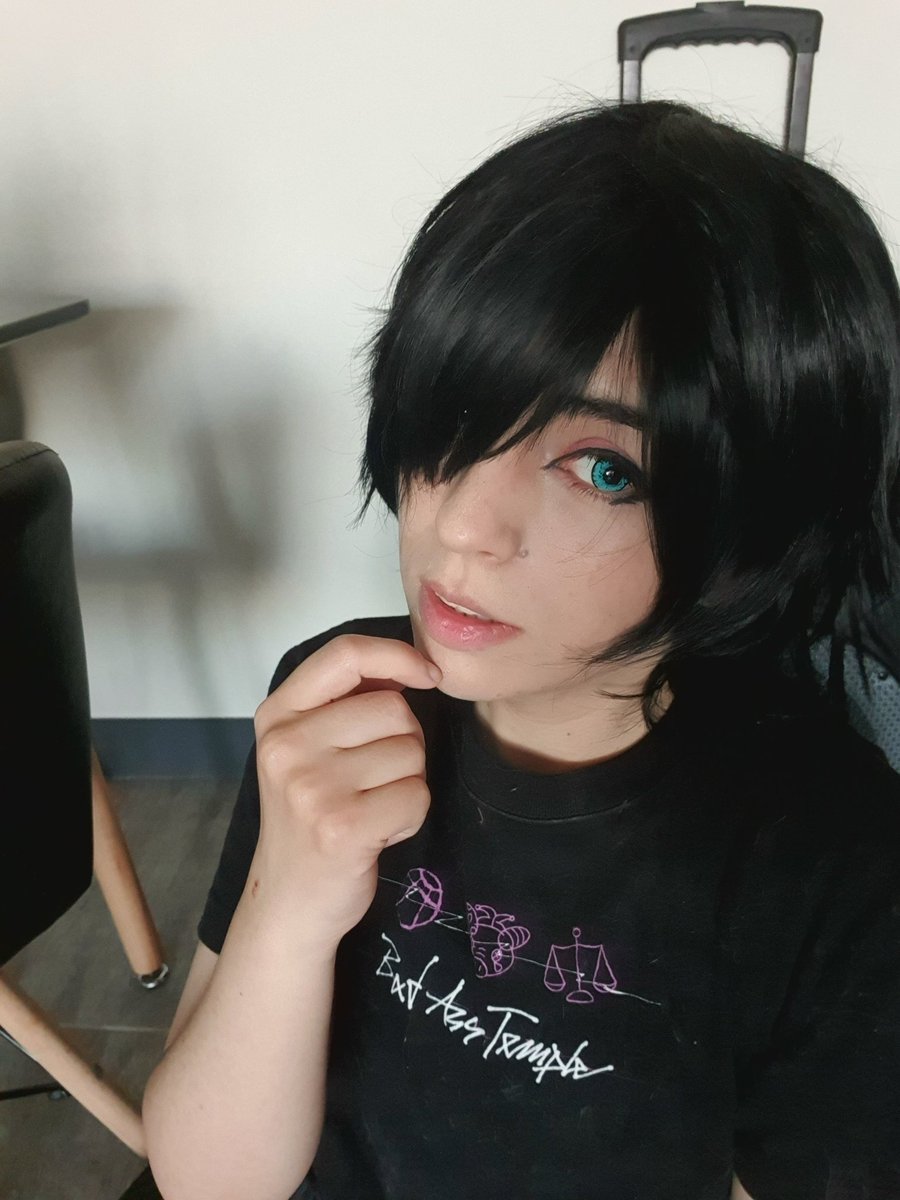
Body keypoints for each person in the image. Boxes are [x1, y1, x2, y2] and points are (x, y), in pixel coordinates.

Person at [142, 99, 900, 1200]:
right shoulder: (339, 702)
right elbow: (208, 1179)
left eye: (604, 469)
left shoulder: (830, 865)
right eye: (460, 413)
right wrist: (290, 906)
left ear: (757, 515)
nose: (462, 525)